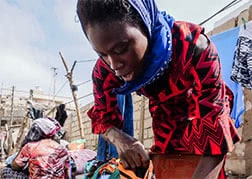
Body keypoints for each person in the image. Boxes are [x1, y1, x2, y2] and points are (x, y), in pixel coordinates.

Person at [76, 0, 240, 178]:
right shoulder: (105, 70)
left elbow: (213, 131)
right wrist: (122, 140)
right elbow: (103, 118)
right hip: (164, 123)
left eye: (121, 49)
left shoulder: (193, 48)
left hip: (201, 116)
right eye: (102, 54)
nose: (114, 65)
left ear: (145, 25)